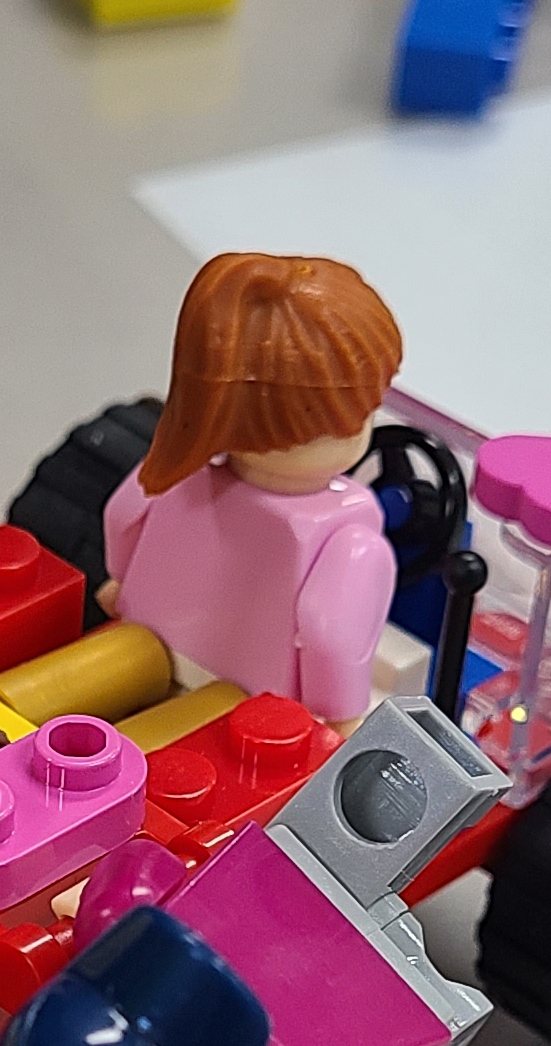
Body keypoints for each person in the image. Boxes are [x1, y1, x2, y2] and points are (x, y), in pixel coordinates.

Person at [101, 252, 406, 725]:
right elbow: (331, 639)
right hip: (250, 717)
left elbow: (121, 519)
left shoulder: (176, 471)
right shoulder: (349, 538)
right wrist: (342, 717)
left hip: (138, 654)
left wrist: (121, 585)